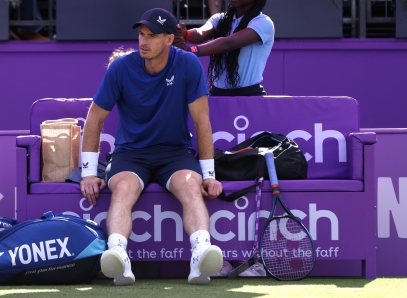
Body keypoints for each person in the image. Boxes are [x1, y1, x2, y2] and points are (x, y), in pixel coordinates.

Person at [79, 8, 224, 286]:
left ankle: (201, 254)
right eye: (141, 35)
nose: (143, 42)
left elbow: (201, 121)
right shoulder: (121, 68)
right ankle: (118, 255)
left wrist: (208, 175)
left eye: (152, 36)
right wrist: (87, 172)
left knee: (191, 186)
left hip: (175, 153)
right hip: (130, 154)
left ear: (170, 39)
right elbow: (94, 118)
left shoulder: (188, 64)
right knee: (123, 188)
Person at [173, 0, 274, 96]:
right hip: (216, 95)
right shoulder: (220, 19)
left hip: (249, 95)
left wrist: (191, 50)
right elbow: (201, 33)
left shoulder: (263, 23)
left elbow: (228, 44)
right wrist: (186, 34)